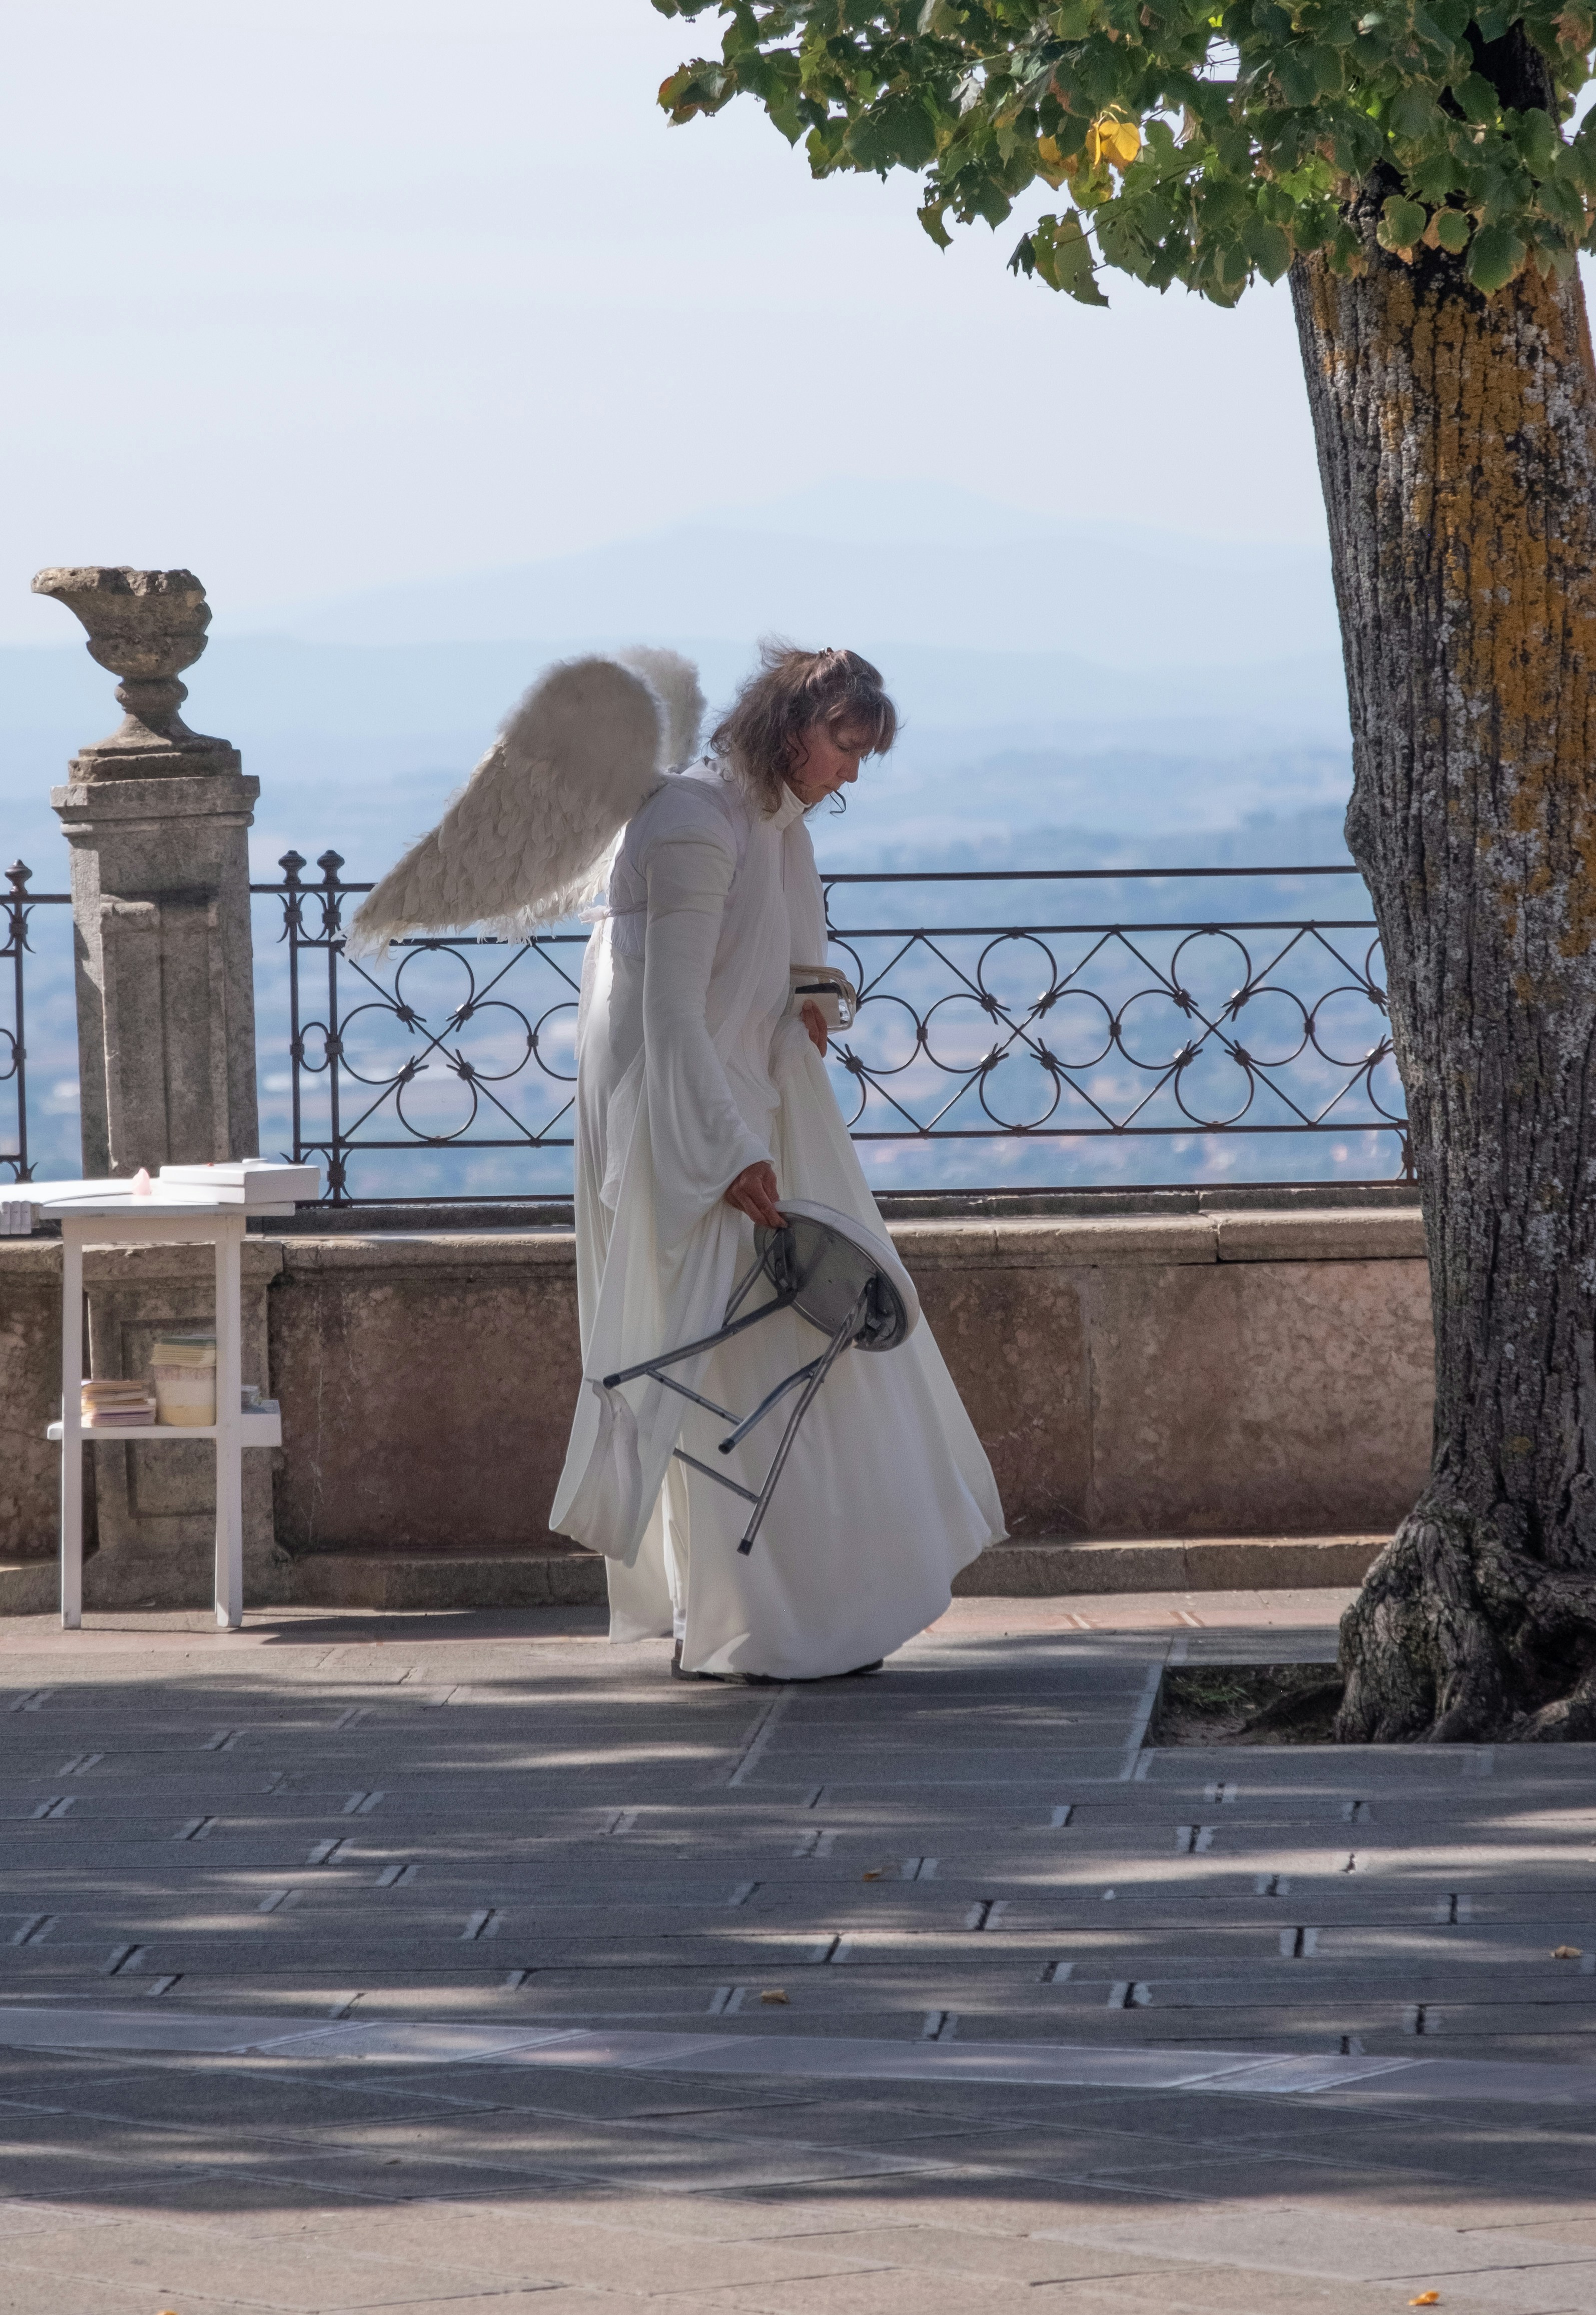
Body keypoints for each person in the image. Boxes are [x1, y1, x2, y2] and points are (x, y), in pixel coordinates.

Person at [549, 642, 1005, 1679]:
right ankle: (747, 1617)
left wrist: (807, 995)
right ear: (789, 727)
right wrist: (729, 1153)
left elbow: (773, 950)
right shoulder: (690, 821)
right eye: (843, 747)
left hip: (741, 1101)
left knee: (774, 1349)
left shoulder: (767, 819)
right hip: (686, 1120)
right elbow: (666, 1012)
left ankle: (807, 1604)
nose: (850, 773)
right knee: (720, 1354)